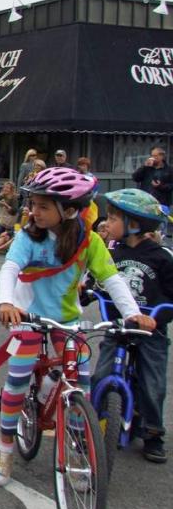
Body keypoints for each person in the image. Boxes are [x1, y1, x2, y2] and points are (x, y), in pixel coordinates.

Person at [0, 168, 154, 485]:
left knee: (82, 383)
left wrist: (132, 314)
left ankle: (77, 453)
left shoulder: (88, 241)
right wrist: (5, 303)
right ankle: (4, 449)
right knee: (18, 380)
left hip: (66, 320)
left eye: (43, 207)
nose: (34, 212)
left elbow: (112, 280)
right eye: (33, 204)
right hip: (26, 317)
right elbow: (9, 269)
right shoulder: (27, 237)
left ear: (71, 211)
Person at [91, 189, 173, 463]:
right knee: (99, 375)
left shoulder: (161, 256)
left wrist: (157, 318)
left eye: (113, 219)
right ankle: (94, 422)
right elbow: (99, 282)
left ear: (134, 225)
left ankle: (153, 432)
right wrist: (86, 289)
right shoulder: (112, 252)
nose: (106, 223)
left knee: (153, 382)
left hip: (151, 330)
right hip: (119, 326)